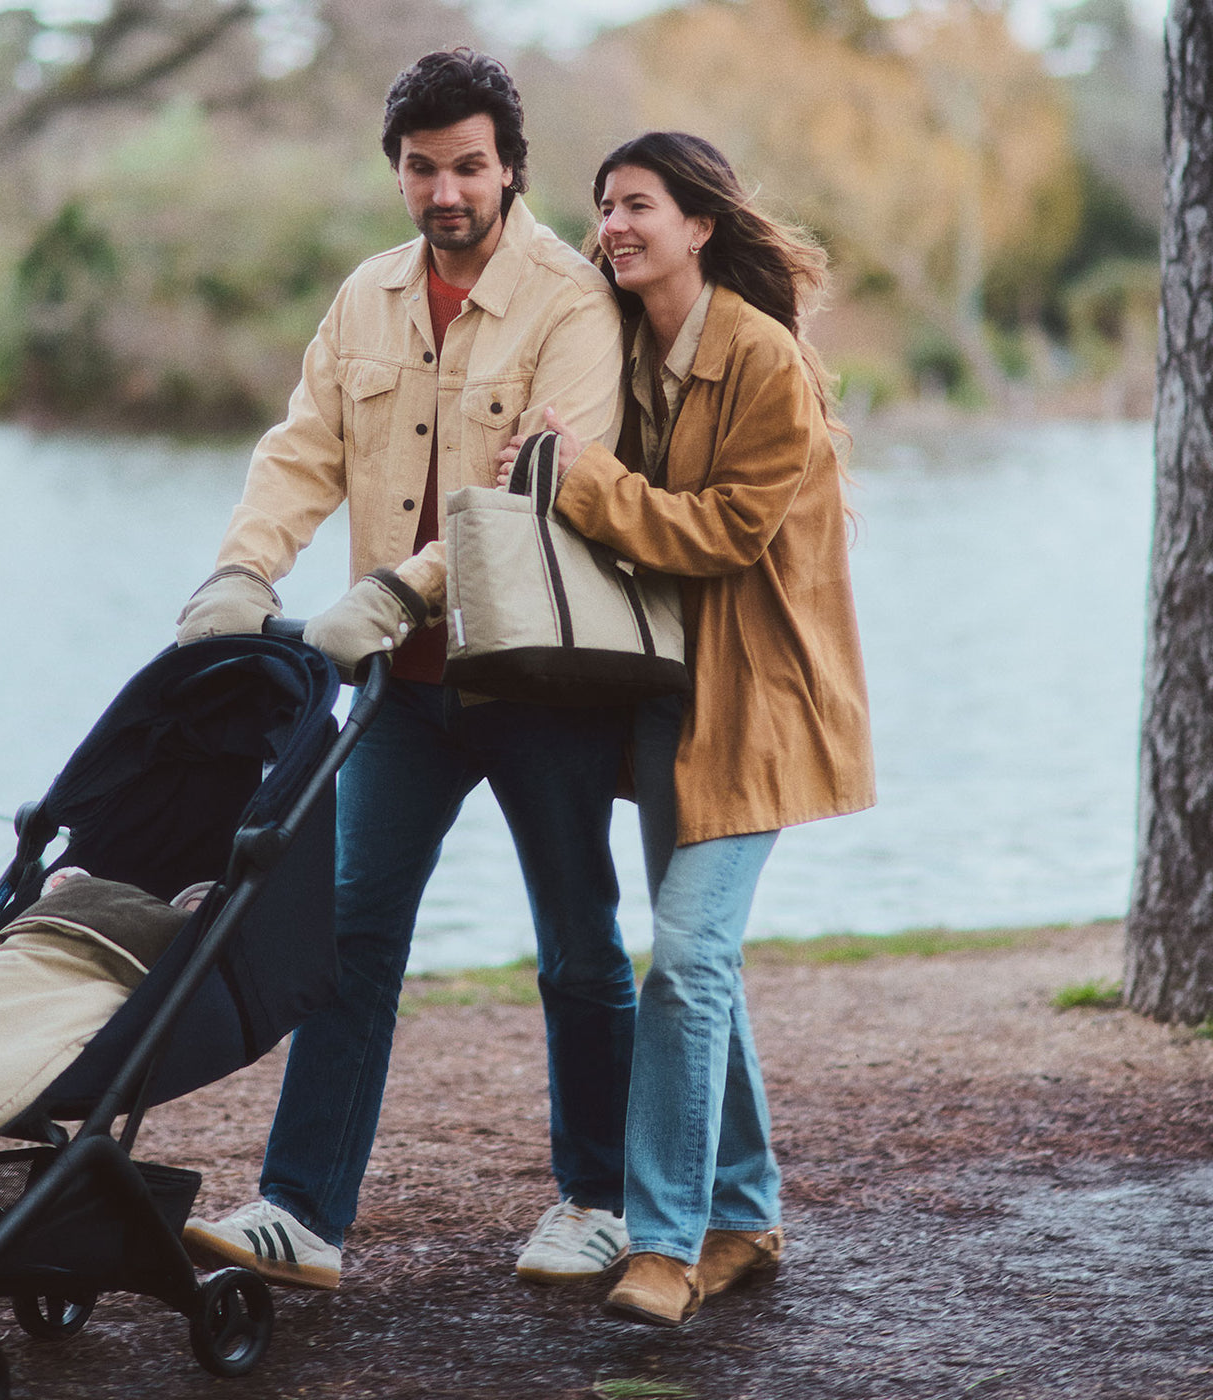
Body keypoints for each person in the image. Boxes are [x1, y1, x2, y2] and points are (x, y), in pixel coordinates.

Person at [174, 48, 638, 1291]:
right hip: (402, 696)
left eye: (468, 166)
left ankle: (596, 1196)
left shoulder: (571, 301)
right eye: (423, 168)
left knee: (576, 943)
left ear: (508, 169)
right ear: (397, 171)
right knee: (354, 935)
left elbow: (535, 488)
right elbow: (298, 454)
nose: (446, 190)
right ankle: (301, 1211)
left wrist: (393, 589)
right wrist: (240, 573)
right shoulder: (365, 300)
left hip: (536, 676)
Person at [497, 131, 875, 1326]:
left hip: (758, 705)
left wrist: (578, 481)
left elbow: (717, 534)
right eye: (602, 206)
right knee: (700, 963)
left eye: (636, 205)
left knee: (688, 958)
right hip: (668, 701)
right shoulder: (630, 347)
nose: (611, 225)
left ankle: (661, 1239)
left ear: (699, 223)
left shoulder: (761, 360)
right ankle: (747, 1210)